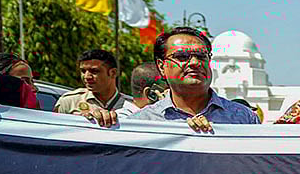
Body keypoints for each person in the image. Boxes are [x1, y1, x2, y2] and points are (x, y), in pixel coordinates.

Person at [83, 26, 260, 131]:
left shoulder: (243, 118)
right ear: (161, 66)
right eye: (182, 57)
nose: (194, 63)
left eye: (201, 56)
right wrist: (92, 126)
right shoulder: (141, 123)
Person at [53, 49, 131, 116]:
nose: (87, 76)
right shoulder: (69, 102)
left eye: (94, 71)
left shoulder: (131, 106)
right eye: (83, 71)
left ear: (113, 73)